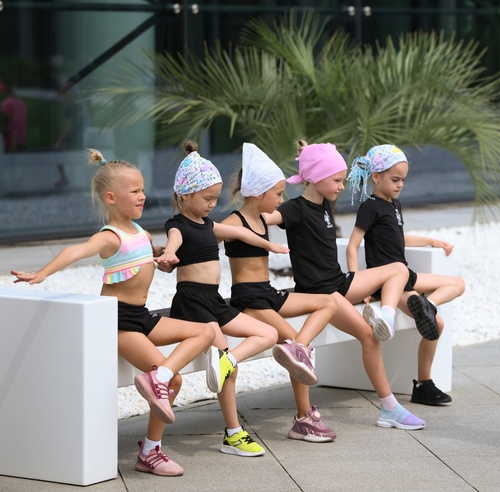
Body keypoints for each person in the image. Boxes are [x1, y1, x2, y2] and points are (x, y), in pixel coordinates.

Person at [11, 149, 218, 477]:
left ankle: (157, 378)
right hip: (120, 323)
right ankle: (151, 451)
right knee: (176, 380)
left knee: (205, 331)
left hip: (142, 316)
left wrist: (163, 259)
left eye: (143, 189)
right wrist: (42, 273)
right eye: (134, 191)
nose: (143, 195)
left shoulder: (143, 234)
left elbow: (145, 263)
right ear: (111, 197)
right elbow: (76, 250)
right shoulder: (110, 237)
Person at [156, 140, 306, 456]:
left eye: (214, 198)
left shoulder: (211, 226)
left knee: (268, 333)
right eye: (207, 198)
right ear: (185, 195)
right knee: (232, 373)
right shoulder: (178, 225)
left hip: (215, 300)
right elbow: (172, 243)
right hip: (193, 303)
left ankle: (229, 359)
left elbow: (241, 234)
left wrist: (272, 247)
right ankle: (233, 433)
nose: (213, 204)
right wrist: (169, 256)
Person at [264, 140, 426, 430]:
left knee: (398, 269)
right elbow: (266, 217)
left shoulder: (325, 204)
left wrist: (308, 154)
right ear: (314, 178)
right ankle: (389, 407)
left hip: (339, 282)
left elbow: (316, 169)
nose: (342, 186)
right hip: (320, 293)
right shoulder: (294, 209)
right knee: (369, 337)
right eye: (337, 180)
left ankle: (385, 314)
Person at [222, 142, 338, 442]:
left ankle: (300, 346)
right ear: (258, 193)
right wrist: (240, 233)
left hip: (268, 293)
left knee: (328, 302)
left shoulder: (262, 217)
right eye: (277, 193)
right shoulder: (235, 220)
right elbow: (207, 231)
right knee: (291, 349)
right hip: (248, 298)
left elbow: (312, 190)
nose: (282, 199)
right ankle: (303, 418)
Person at [345, 144, 465, 406]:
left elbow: (400, 238)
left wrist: (432, 240)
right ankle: (423, 383)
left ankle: (428, 304)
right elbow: (353, 245)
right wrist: (358, 284)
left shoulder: (395, 205)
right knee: (438, 325)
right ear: (376, 177)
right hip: (387, 283)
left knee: (458, 284)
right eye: (395, 179)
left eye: (403, 180)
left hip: (405, 274)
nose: (400, 185)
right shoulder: (370, 207)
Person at [0, 72, 27, 153]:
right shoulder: (21, 103)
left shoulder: (6, 104)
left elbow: (10, 127)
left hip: (11, 146)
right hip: (21, 144)